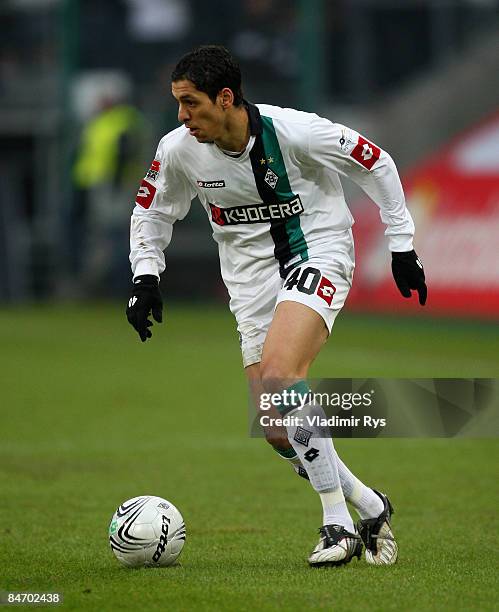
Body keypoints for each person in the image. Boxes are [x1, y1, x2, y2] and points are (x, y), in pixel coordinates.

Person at [126, 45, 427, 567]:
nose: (182, 116)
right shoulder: (177, 149)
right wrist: (146, 276)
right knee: (275, 428)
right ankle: (370, 504)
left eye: (191, 103)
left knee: (283, 375)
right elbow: (151, 212)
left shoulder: (295, 132)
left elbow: (375, 161)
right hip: (248, 278)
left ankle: (336, 524)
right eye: (177, 104)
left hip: (317, 249)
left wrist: (402, 242)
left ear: (225, 98)